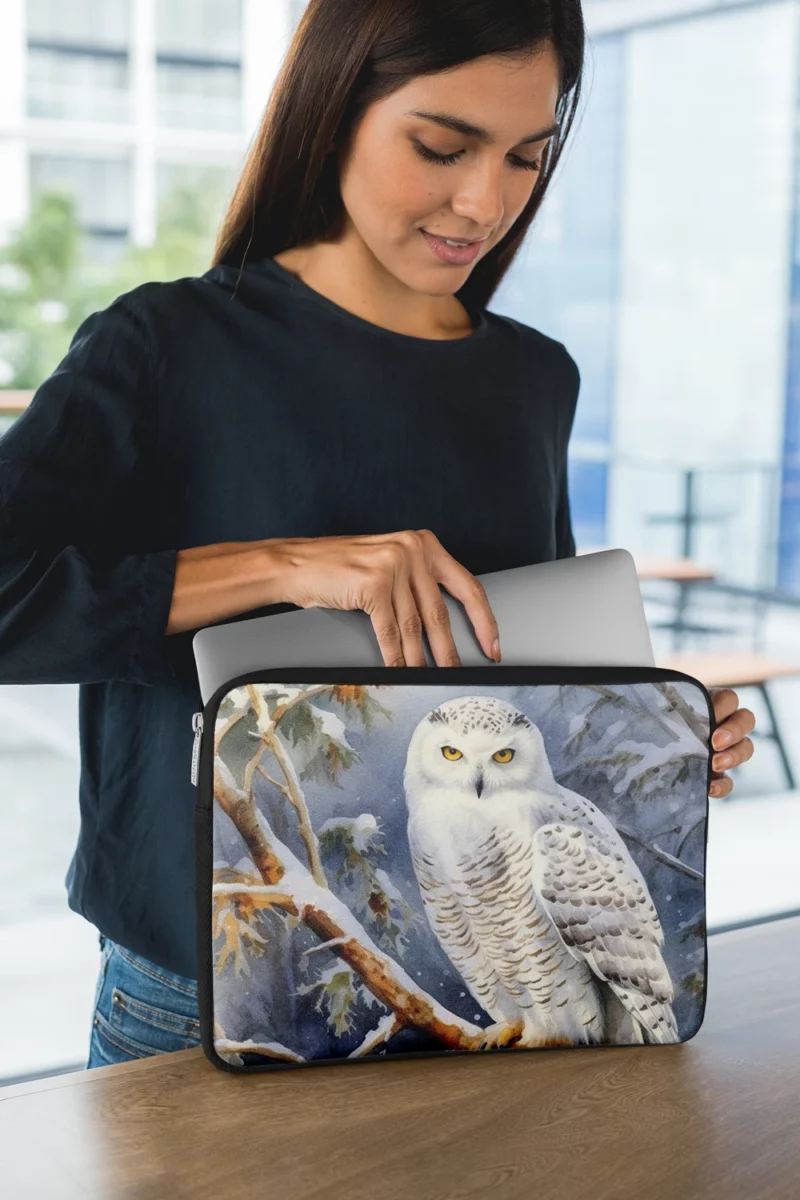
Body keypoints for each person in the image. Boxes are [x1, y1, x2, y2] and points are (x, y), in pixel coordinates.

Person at [0, 0, 755, 1070]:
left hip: (488, 1005)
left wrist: (658, 733)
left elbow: (518, 671)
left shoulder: (534, 379)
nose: (482, 201)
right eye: (440, 147)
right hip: (198, 997)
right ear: (333, 108)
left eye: (524, 158)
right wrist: (289, 567)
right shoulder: (164, 344)